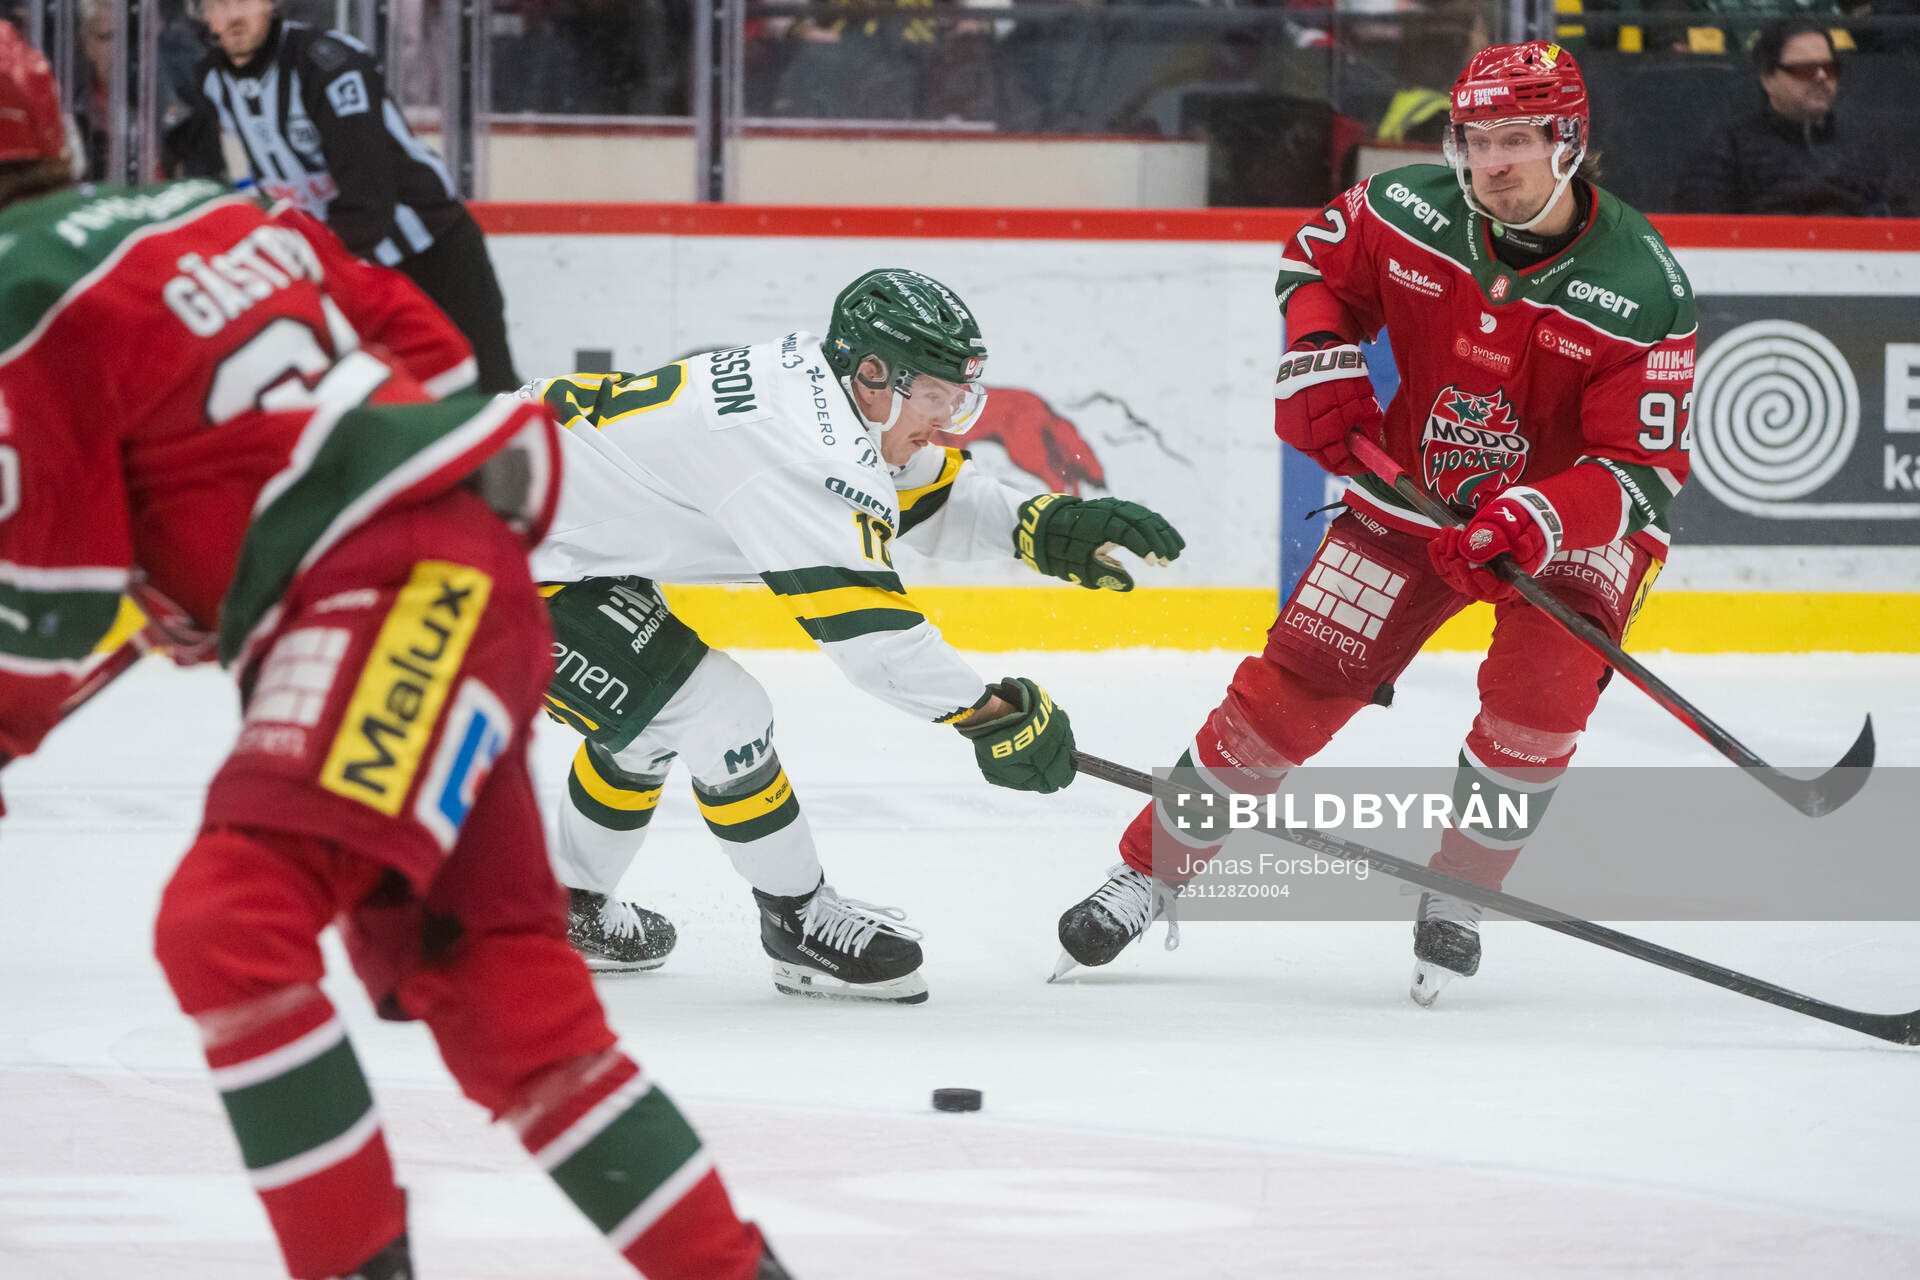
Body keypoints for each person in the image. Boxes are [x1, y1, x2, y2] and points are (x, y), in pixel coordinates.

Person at [0, 23, 783, 1280]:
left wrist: (245, 553)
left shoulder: (20, 296)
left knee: (228, 922)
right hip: (469, 571)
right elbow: (432, 349)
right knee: (513, 1007)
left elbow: (40, 614)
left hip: (385, 604)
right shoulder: (207, 210)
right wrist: (266, 515)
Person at [1052, 41, 1697, 1006]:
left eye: (1518, 140)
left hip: (1569, 527)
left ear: (1570, 142)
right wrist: (1318, 350)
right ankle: (1148, 873)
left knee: (1539, 704)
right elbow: (1314, 261)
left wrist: (1534, 515)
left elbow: (1643, 476)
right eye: (1476, 141)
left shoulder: (1644, 286)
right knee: (1289, 689)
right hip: (1412, 502)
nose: (1493, 165)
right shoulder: (1408, 212)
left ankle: (1459, 896)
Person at [522, 268, 1184, 1001]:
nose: (947, 417)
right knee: (717, 714)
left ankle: (573, 909)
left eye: (959, 398)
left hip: (535, 531)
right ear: (873, 373)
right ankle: (797, 924)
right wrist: (993, 715)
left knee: (652, 716)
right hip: (468, 548)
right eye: (935, 397)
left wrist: (1036, 525)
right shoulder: (801, 450)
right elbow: (875, 642)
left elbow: (912, 481)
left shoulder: (817, 384)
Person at [185, 0, 523, 389]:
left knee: (489, 393)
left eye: (243, 1)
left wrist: (294, 261)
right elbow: (200, 184)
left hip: (431, 253)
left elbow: (369, 204)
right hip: (344, 265)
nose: (232, 18)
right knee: (380, 407)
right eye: (218, 5)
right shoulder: (208, 77)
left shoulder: (328, 65)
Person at [1671, 20, 1909, 216]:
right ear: (1767, 78)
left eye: (1830, 68)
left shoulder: (1864, 149)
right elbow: (1703, 229)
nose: (1821, 78)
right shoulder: (1728, 150)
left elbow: (1899, 226)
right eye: (1804, 70)